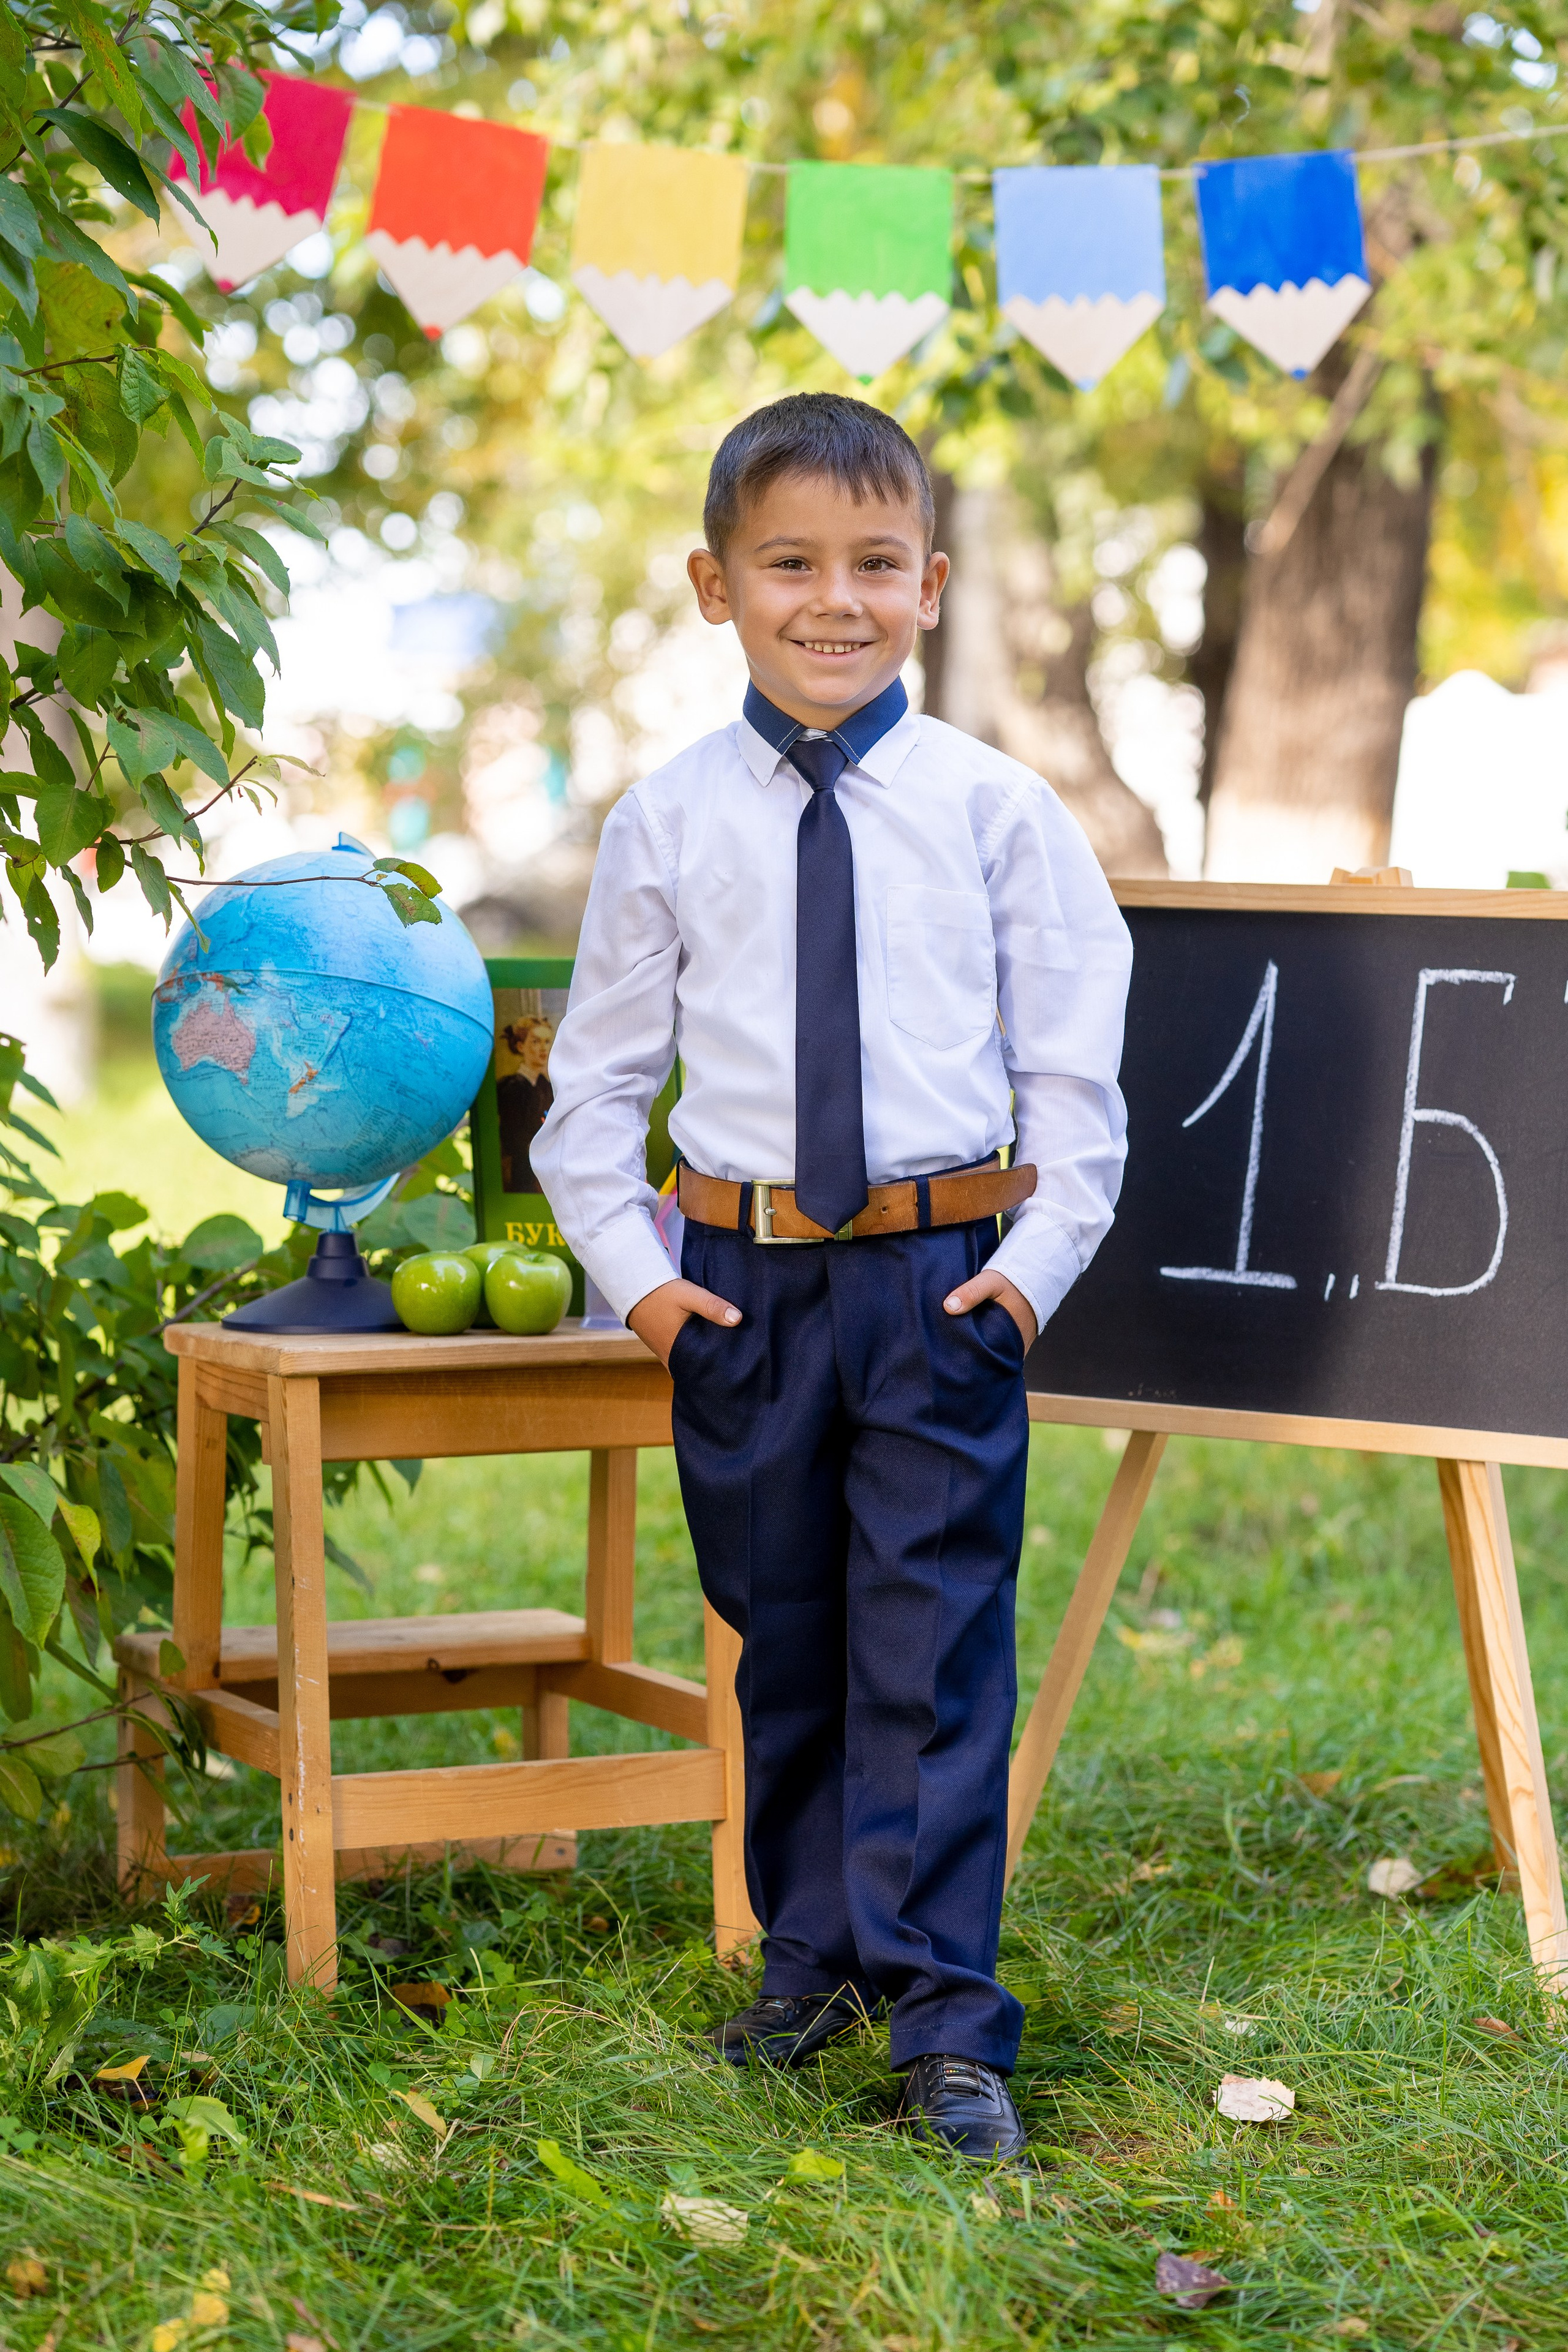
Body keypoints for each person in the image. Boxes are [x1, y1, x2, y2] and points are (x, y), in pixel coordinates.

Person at [532, 391, 1132, 2165]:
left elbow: (1078, 1081)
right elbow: (597, 1092)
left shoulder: (997, 811)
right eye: (790, 563)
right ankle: (809, 1967)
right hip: (744, 1284)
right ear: (715, 586)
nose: (834, 599)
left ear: (933, 584)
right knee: (783, 1639)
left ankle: (945, 2014)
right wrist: (644, 1283)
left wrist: (1023, 1279)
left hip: (942, 1276)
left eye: (876, 564)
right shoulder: (663, 821)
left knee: (934, 1650)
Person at [496, 1015, 555, 1193]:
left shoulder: (547, 1086)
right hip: (523, 1174)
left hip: (548, 1171)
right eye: (536, 1042)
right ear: (521, 1047)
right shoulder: (511, 1088)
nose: (543, 1048)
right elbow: (513, 1141)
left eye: (547, 1042)